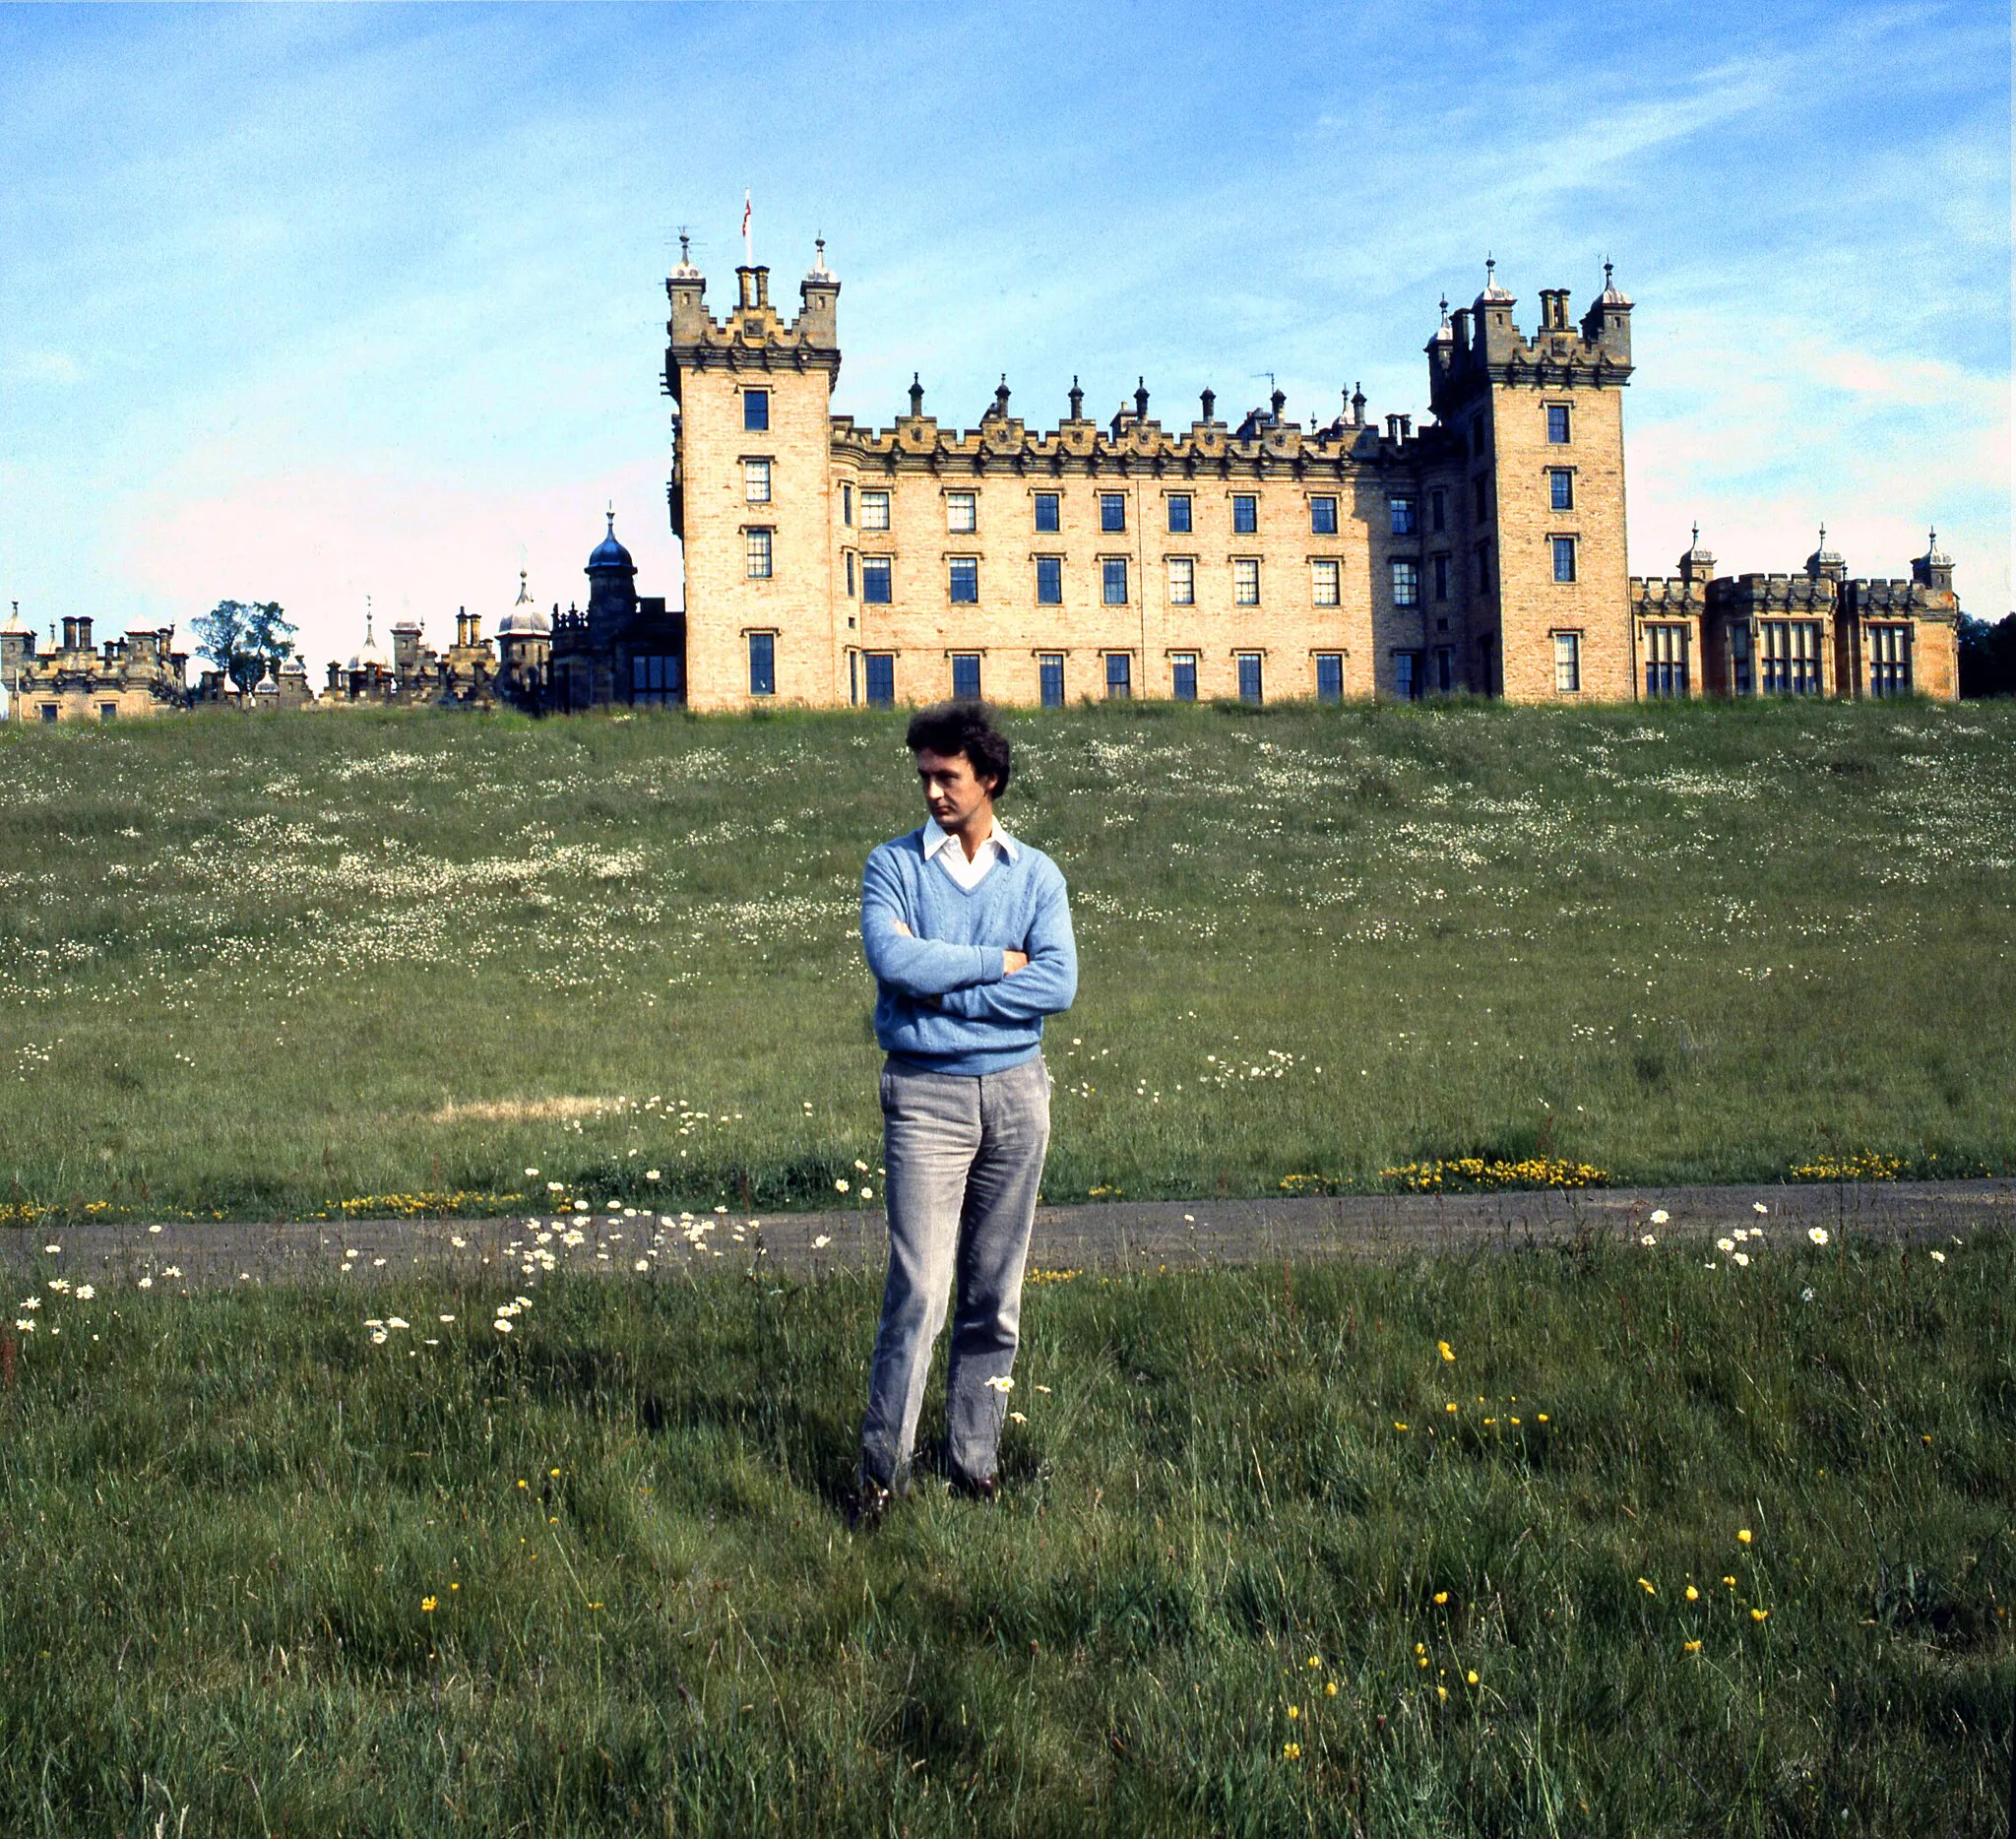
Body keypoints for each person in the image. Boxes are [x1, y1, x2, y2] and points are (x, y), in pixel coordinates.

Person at [850, 699, 1077, 1527]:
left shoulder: (1037, 875)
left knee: (995, 1292)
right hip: (926, 1099)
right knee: (918, 1290)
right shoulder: (893, 868)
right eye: (925, 777)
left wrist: (948, 996)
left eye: (948, 777)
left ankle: (974, 1463)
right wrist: (996, 965)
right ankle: (881, 1477)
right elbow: (895, 959)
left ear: (988, 779)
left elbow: (1058, 984)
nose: (934, 792)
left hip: (1018, 1096)